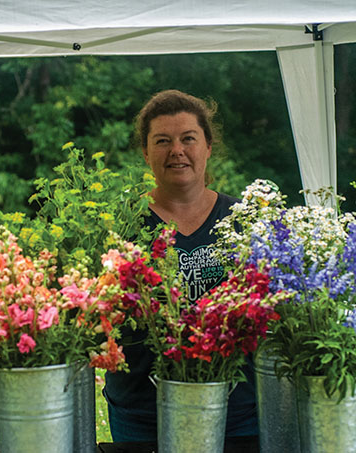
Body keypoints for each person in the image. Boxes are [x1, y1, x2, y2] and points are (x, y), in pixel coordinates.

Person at [103, 89, 258, 451]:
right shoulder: (121, 225)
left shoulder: (245, 220)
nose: (177, 150)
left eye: (189, 138)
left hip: (237, 409)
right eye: (162, 141)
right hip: (141, 411)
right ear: (145, 153)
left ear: (208, 146)